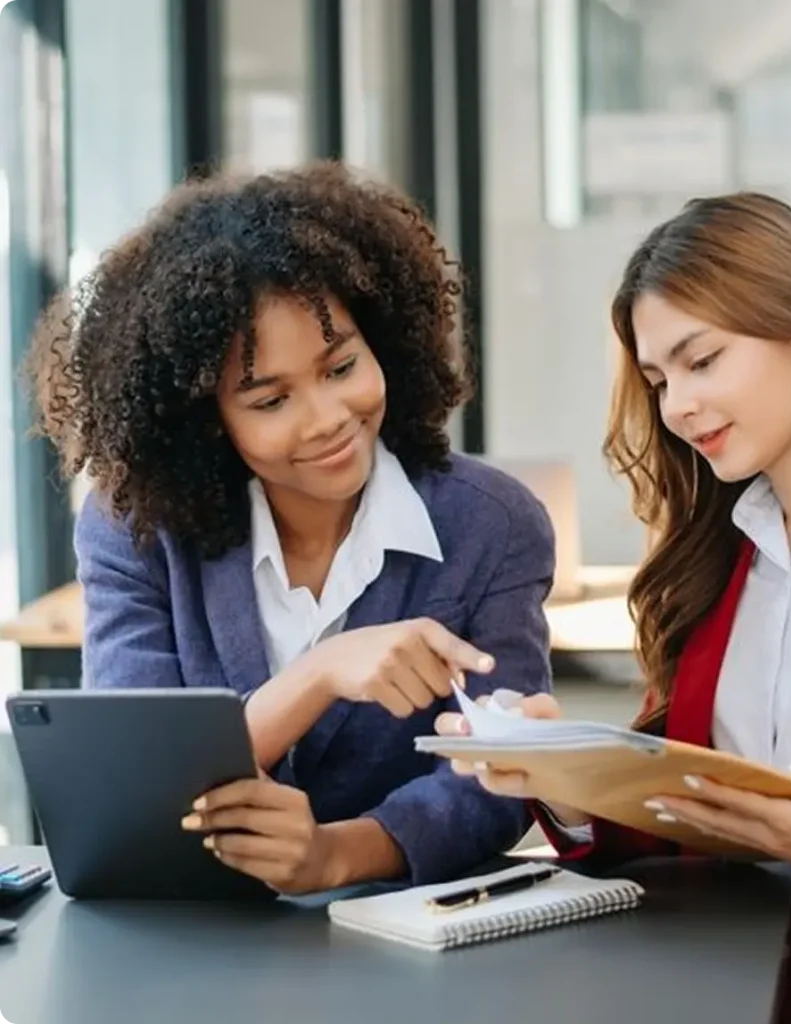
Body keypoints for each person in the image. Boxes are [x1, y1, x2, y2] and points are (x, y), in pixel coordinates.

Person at [436, 193, 791, 1023]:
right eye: (659, 380)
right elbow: (691, 818)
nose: (676, 405)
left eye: (702, 360)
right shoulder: (713, 565)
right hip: (723, 991)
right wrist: (566, 782)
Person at [28, 161, 555, 896]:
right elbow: (130, 787)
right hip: (182, 932)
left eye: (341, 367)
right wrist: (318, 675)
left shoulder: (492, 524)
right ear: (206, 421)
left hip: (398, 937)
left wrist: (335, 855)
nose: (327, 419)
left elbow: (500, 786)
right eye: (271, 401)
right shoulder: (136, 529)